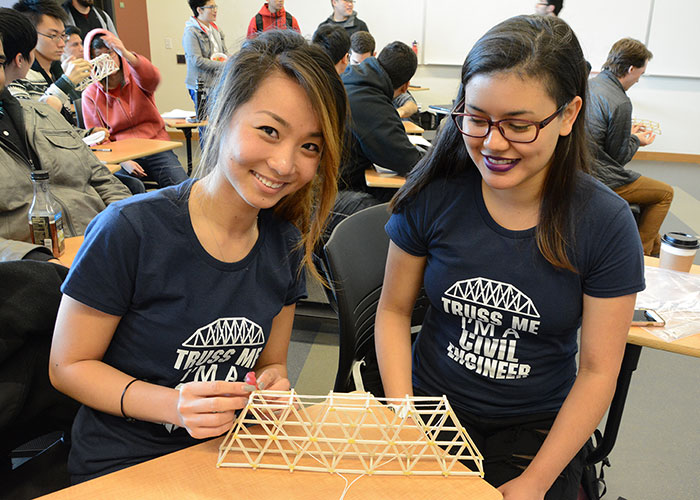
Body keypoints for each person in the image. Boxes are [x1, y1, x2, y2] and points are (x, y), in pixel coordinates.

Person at [48, 29, 347, 483]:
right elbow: (68, 367)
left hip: (227, 453)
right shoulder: (131, 230)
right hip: (126, 463)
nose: (286, 165)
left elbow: (270, 364)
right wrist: (173, 406)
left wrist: (271, 387)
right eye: (269, 131)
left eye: (310, 146)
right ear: (224, 115)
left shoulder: (284, 242)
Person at [375, 15, 644, 500]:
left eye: (519, 126)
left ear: (567, 115)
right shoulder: (435, 196)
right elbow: (393, 312)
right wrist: (404, 419)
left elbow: (599, 371)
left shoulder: (604, 222)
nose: (493, 143)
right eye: (476, 119)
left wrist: (536, 482)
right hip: (428, 412)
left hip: (534, 430)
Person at [0, 9, 131, 263]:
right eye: (53, 36)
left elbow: (102, 179)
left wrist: (127, 223)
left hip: (103, 244)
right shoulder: (48, 97)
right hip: (38, 271)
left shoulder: (40, 112)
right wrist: (37, 262)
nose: (62, 43)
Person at [587, 38, 673, 256]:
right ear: (631, 69)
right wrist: (637, 140)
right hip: (599, 177)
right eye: (640, 74)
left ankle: (655, 252)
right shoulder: (620, 102)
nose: (638, 80)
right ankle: (641, 256)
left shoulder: (590, 85)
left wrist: (627, 132)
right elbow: (618, 157)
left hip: (579, 167)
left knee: (654, 230)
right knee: (665, 194)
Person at [81, 29, 189, 189]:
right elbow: (97, 138)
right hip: (121, 153)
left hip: (153, 144)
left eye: (110, 54)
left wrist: (125, 52)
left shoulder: (136, 76)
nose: (106, 61)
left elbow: (153, 79)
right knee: (130, 188)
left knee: (182, 187)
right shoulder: (90, 94)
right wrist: (124, 161)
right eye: (99, 57)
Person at [340, 40, 422, 200]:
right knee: (402, 214)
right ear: (406, 86)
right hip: (331, 194)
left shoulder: (352, 78)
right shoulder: (370, 102)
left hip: (335, 180)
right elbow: (408, 161)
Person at [10, 0, 91, 122]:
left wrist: (87, 133)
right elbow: (33, 124)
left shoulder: (56, 71)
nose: (62, 44)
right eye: (53, 36)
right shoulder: (17, 76)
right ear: (30, 34)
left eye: (63, 35)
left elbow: (62, 127)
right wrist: (65, 83)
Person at [183, 0, 227, 109]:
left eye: (215, 7)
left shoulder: (216, 29)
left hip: (217, 83)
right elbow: (197, 60)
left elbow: (224, 53)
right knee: (205, 122)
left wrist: (233, 60)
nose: (215, 10)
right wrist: (224, 65)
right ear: (199, 10)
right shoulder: (191, 32)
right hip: (201, 85)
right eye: (211, 7)